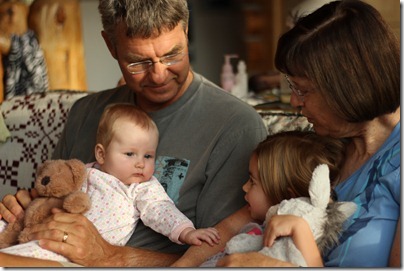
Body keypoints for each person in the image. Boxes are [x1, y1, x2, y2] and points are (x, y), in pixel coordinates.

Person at [0, 0, 267, 267]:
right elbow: (56, 195)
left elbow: (219, 256)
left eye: (172, 55)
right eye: (138, 62)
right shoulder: (86, 113)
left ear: (186, 32)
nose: (159, 75)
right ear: (110, 46)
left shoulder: (235, 125)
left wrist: (111, 256)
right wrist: (24, 207)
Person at [213, 0, 400, 267]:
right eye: (291, 87)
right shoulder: (319, 146)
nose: (294, 102)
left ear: (348, 87)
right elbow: (242, 219)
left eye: (302, 90)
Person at [0, 103, 220, 262]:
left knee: (27, 256)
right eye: (130, 154)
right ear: (101, 154)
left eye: (148, 156)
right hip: (51, 227)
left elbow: (161, 210)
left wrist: (187, 232)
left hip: (75, 252)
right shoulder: (86, 172)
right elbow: (56, 189)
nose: (140, 164)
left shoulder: (140, 188)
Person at [200, 130, 348, 267]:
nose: (244, 187)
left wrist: (299, 229)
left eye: (252, 181)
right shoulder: (261, 228)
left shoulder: (300, 240)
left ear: (288, 196)